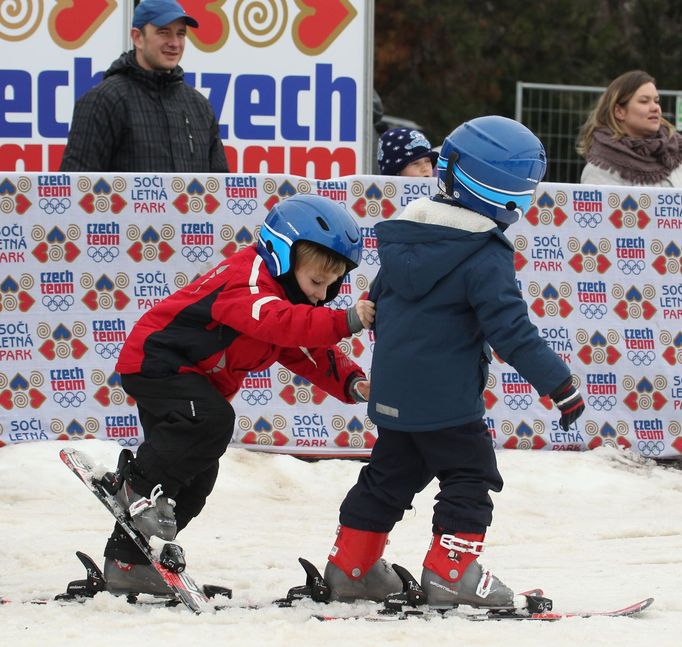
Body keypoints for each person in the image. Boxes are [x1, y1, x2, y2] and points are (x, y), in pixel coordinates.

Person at [321, 116, 586, 608]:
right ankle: (451, 574)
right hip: (448, 402)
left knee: (388, 476)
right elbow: (510, 330)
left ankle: (351, 566)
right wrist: (559, 383)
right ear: (508, 196)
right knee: (469, 476)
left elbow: (378, 305)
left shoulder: (405, 237)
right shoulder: (482, 253)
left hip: (394, 395)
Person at [103, 194, 374, 595]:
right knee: (210, 422)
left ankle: (128, 563)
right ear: (282, 254)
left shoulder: (285, 298)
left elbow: (306, 350)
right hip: (157, 361)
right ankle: (136, 491)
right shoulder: (247, 280)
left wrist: (353, 382)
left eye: (331, 286)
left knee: (197, 474)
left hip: (190, 381)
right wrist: (345, 319)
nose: (322, 295)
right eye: (317, 282)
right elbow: (280, 322)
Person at [60, 0, 228, 173]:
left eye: (180, 34)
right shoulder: (104, 100)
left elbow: (220, 188)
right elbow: (76, 188)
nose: (175, 43)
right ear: (137, 38)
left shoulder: (199, 106)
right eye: (164, 32)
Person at [576, 70, 682, 187]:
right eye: (644, 101)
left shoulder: (676, 149)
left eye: (656, 101)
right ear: (619, 112)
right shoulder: (600, 171)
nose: (655, 108)